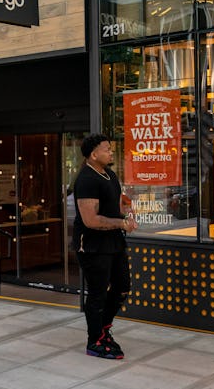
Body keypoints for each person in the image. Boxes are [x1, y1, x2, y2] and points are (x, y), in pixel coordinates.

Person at [72, 134, 137, 359]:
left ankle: (104, 330)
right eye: (107, 149)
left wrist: (126, 212)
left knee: (123, 287)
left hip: (114, 242)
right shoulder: (86, 179)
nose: (111, 152)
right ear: (93, 154)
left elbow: (116, 204)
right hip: (92, 246)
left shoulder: (109, 174)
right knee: (98, 294)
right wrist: (121, 223)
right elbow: (91, 220)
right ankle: (95, 341)